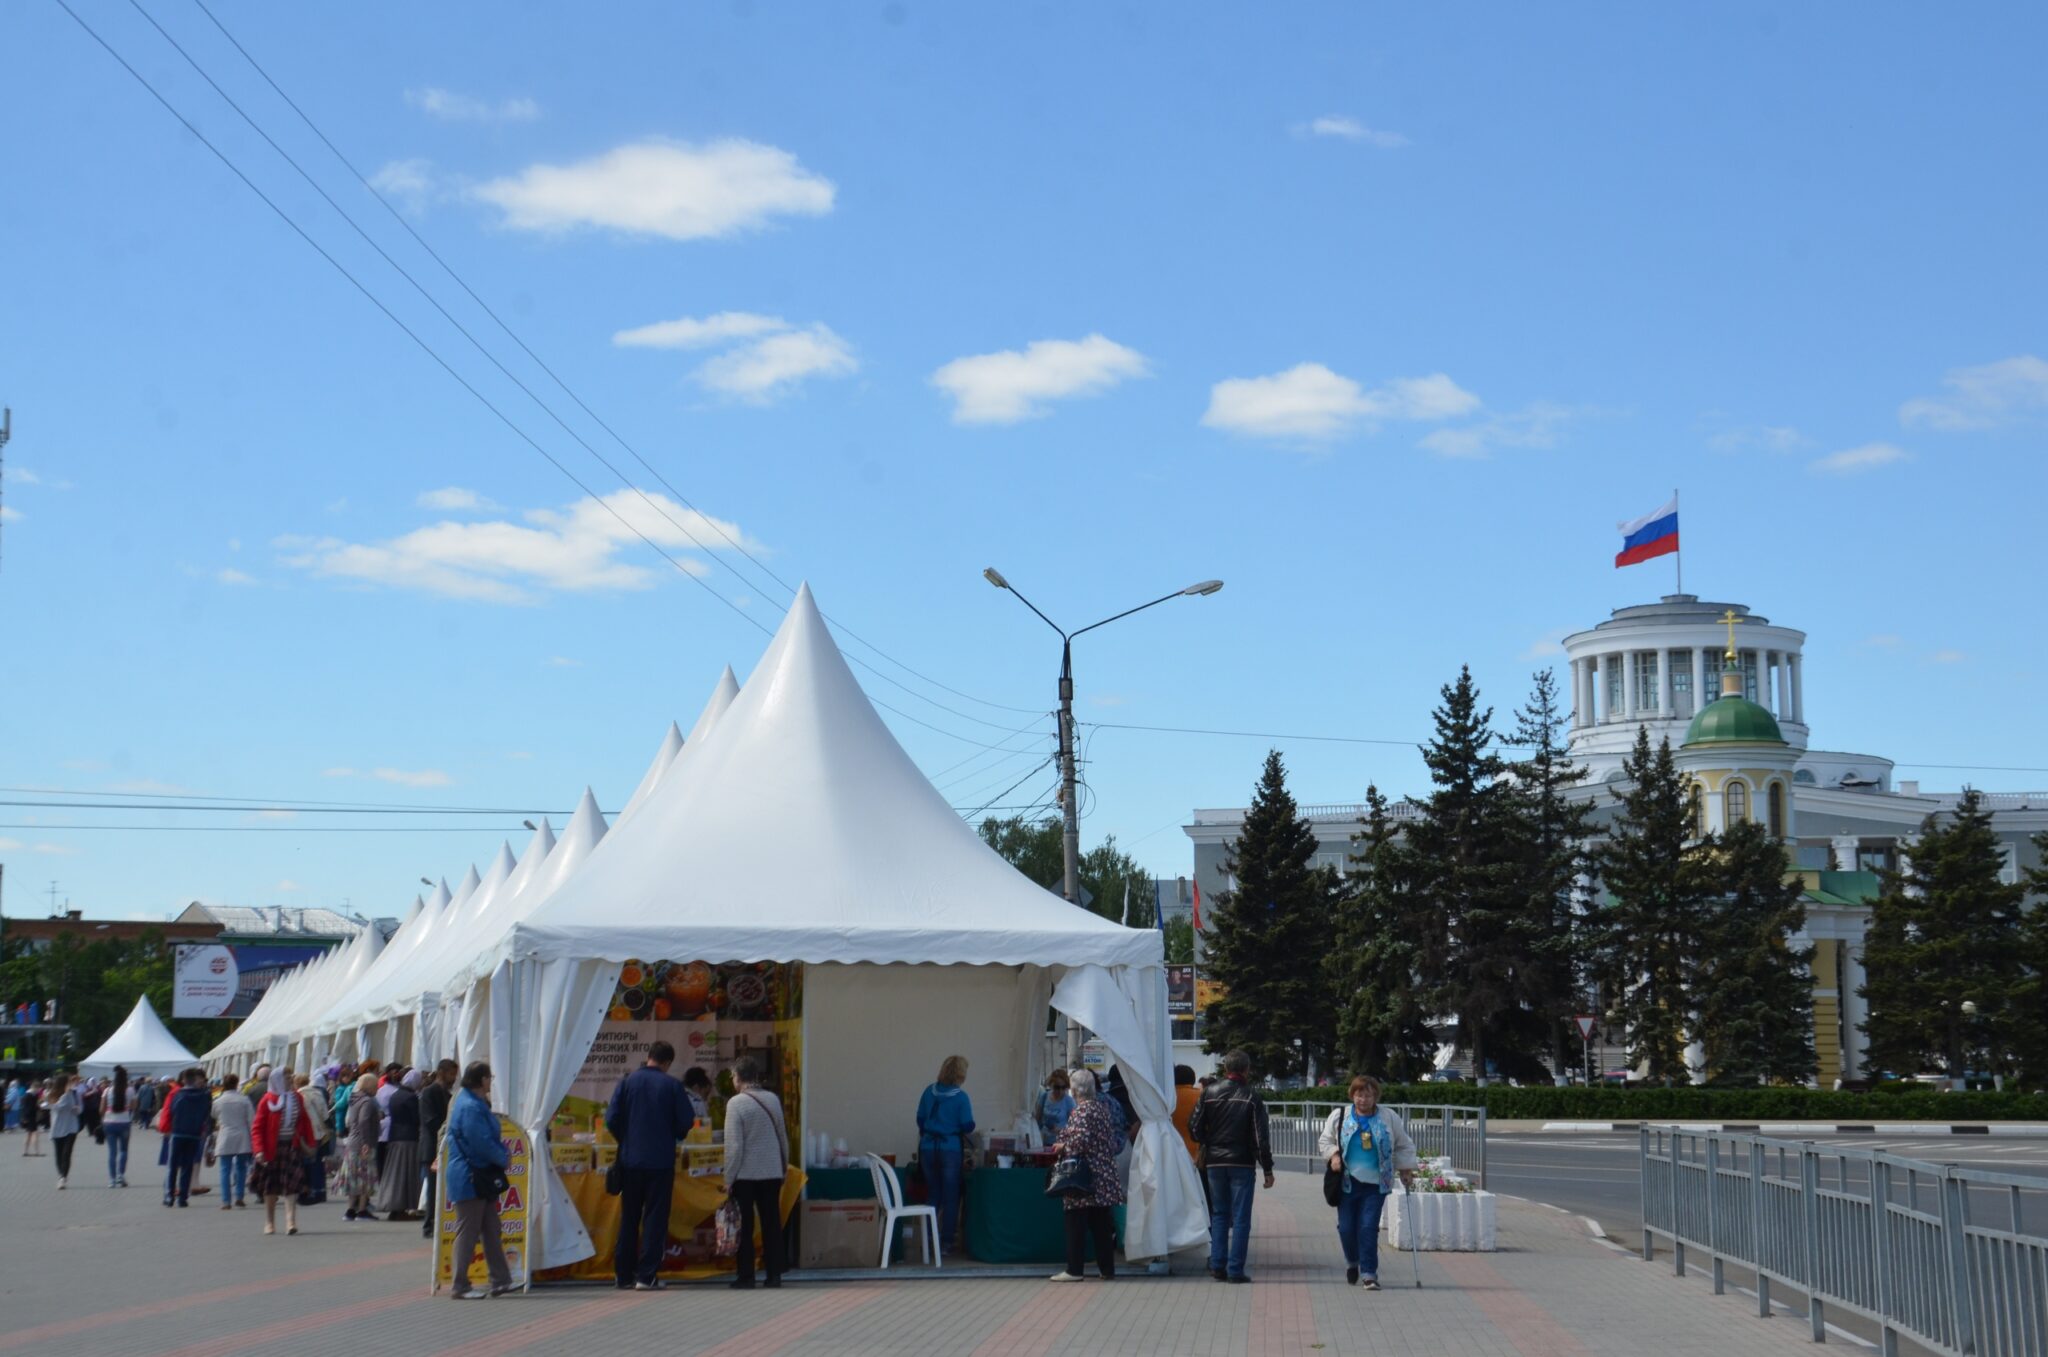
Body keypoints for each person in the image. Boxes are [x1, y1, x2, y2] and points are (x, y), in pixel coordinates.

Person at [605, 1040, 694, 1291]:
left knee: (629, 1218)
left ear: (649, 1057)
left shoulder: (627, 1082)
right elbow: (685, 1121)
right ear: (667, 1063)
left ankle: (623, 1275)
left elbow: (611, 1119)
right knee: (655, 1218)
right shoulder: (673, 1085)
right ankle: (646, 1276)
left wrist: (626, 1140)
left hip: (630, 1161)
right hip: (660, 1162)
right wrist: (672, 1136)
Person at [1317, 1075, 1419, 1290]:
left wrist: (1406, 1169)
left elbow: (1403, 1144)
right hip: (1347, 1182)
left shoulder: (1388, 1117)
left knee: (1367, 1227)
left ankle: (1369, 1273)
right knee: (1346, 1228)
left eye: (1368, 1095)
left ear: (1375, 1097)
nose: (1363, 1100)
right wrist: (1334, 1156)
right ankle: (1352, 1262)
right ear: (1352, 1095)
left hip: (1375, 1184)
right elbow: (1325, 1140)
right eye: (1359, 1095)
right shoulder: (1340, 1115)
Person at [1189, 1050, 1274, 1283]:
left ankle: (1218, 1265)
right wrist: (1267, 1168)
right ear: (1246, 1069)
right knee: (1241, 1217)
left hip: (1215, 1161)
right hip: (1242, 1163)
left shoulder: (1208, 1093)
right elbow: (1260, 1138)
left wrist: (1208, 1141)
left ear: (1225, 1069)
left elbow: (1194, 1127)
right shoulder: (1251, 1097)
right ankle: (1235, 1270)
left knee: (1219, 1214)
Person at [444, 1061, 514, 1300]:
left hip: (475, 1176)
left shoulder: (471, 1102)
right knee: (468, 1231)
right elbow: (480, 1141)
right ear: (482, 1079)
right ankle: (460, 1285)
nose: (491, 1081)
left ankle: (501, 1279)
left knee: (491, 1228)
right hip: (470, 1176)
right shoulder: (471, 1107)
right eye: (489, 1077)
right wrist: (503, 1158)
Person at [1047, 1069, 1125, 1282]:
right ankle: (1107, 1269)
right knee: (1101, 1225)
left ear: (1074, 1090)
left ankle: (1074, 1270)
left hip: (1084, 1177)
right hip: (1103, 1175)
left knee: (1075, 1223)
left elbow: (1080, 1141)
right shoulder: (1101, 1108)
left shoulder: (1082, 1111)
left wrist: (1063, 1144)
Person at [723, 1056, 789, 1289]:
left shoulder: (736, 1104)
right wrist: (784, 1167)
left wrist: (728, 1178)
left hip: (746, 1175)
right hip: (771, 1172)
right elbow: (782, 1136)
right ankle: (774, 1275)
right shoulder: (772, 1099)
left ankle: (746, 1275)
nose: (732, 1080)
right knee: (771, 1222)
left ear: (739, 1077)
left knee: (746, 1226)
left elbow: (734, 1147)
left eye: (733, 1076)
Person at [916, 1055, 974, 1251]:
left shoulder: (928, 1092)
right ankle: (946, 1242)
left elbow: (920, 1120)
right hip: (949, 1149)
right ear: (961, 1074)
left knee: (933, 1193)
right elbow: (967, 1125)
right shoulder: (960, 1097)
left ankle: (928, 1240)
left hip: (927, 1148)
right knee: (951, 1196)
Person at [252, 1068, 316, 1236]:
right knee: (270, 1187)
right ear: (277, 1080)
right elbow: (257, 1128)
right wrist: (258, 1150)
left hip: (291, 1147)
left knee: (292, 1185)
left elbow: (305, 1121)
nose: (290, 1079)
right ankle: (269, 1222)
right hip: (271, 1149)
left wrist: (310, 1143)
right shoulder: (267, 1100)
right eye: (286, 1077)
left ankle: (290, 1221)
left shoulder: (297, 1098)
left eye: (290, 1076)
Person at [375, 1070, 424, 1221]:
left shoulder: (395, 1095)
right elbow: (417, 1118)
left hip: (394, 1137)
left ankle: (394, 1207)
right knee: (406, 1175)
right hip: (409, 1138)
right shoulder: (411, 1097)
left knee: (394, 1174)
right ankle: (402, 1207)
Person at [419, 1060, 458, 1237]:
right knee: (433, 1188)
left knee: (442, 1188)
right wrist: (447, 1129)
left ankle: (439, 1222)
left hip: (444, 1145)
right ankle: (429, 1225)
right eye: (451, 1074)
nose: (454, 1078)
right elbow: (429, 1121)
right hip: (431, 1147)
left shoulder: (448, 1095)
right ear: (441, 1072)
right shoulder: (429, 1093)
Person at [163, 1069, 211, 1207]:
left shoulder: (177, 1094)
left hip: (177, 1133)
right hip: (194, 1134)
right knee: (187, 1166)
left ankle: (169, 1196)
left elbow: (172, 1111)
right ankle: (183, 1198)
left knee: (172, 1166)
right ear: (194, 1080)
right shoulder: (203, 1095)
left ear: (184, 1080)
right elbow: (206, 1113)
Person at [212, 1072, 255, 1210]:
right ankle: (240, 1196)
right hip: (242, 1134)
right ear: (237, 1084)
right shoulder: (244, 1100)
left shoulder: (218, 1101)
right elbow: (251, 1120)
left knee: (225, 1169)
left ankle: (226, 1200)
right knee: (241, 1168)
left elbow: (214, 1115)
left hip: (225, 1134)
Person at [342, 1071, 381, 1221]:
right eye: (375, 1086)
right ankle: (362, 1210)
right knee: (365, 1177)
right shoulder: (367, 1101)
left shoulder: (354, 1099)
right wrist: (366, 1142)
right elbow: (364, 1121)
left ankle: (350, 1209)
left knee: (353, 1178)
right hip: (363, 1143)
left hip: (352, 1141)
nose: (377, 1088)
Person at [296, 1073, 331, 1206]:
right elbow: (325, 1114)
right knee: (318, 1162)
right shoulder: (318, 1094)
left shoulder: (299, 1095)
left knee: (306, 1163)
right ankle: (320, 1191)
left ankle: (308, 1189)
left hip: (306, 1132)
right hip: (320, 1132)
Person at [46, 1074, 83, 1189]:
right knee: (59, 1154)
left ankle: (63, 1178)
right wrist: (65, 1095)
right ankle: (61, 1175)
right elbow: (58, 1107)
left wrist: (78, 1109)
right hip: (57, 1127)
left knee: (67, 1153)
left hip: (71, 1127)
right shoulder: (52, 1094)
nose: (71, 1084)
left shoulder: (73, 1093)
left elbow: (79, 1108)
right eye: (69, 1082)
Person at [103, 1066, 133, 1187]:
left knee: (112, 1152)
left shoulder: (108, 1090)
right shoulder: (130, 1090)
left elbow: (101, 1108)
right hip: (124, 1122)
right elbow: (134, 1106)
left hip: (109, 1122)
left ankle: (112, 1180)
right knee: (124, 1150)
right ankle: (121, 1175)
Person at [1034, 1070, 1075, 1142]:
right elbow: (1037, 1119)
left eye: (1063, 1087)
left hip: (1061, 1143)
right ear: (1051, 1085)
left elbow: (1074, 1126)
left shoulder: (1069, 1101)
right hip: (1044, 1141)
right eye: (1057, 1087)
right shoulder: (1044, 1097)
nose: (1060, 1091)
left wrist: (1061, 1130)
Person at [21, 1079, 45, 1157]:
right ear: (34, 1087)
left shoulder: (31, 1095)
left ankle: (25, 1151)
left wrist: (38, 1106)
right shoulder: (29, 1095)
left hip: (30, 1116)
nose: (39, 1090)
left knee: (29, 1135)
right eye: (38, 1089)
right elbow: (28, 1108)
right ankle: (36, 1151)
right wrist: (38, 1107)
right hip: (30, 1117)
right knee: (35, 1134)